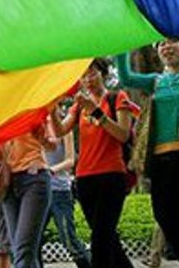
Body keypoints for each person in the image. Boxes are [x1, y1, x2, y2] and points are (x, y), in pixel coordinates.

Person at [115, 36, 179, 268]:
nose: (166, 46)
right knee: (166, 219)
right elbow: (125, 77)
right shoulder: (155, 81)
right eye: (161, 43)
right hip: (163, 162)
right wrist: (121, 45)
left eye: (172, 41)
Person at [49, 58, 136, 268]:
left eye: (92, 73)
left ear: (103, 74)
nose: (88, 79)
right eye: (83, 75)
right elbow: (61, 130)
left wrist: (96, 111)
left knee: (100, 240)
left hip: (112, 176)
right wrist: (51, 109)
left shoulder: (117, 98)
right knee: (107, 239)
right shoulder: (79, 106)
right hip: (85, 178)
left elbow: (123, 134)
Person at [0, 124, 54, 268]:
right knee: (19, 249)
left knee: (24, 248)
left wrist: (44, 139)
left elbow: (52, 145)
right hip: (9, 184)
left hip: (33, 179)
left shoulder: (30, 114)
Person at [42, 112, 92, 268]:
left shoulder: (64, 128)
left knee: (68, 239)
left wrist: (51, 170)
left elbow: (71, 160)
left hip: (60, 191)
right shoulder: (35, 127)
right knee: (32, 242)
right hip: (39, 192)